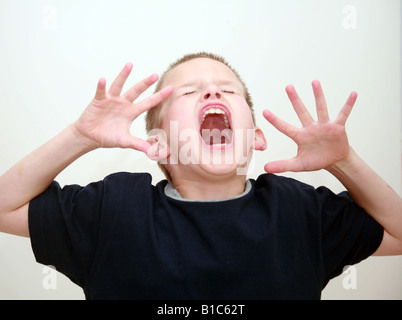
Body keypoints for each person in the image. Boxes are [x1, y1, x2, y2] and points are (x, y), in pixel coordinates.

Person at [0, 52, 401, 300]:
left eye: (229, 91)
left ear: (256, 137)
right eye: (189, 93)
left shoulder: (300, 211)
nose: (212, 92)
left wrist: (343, 161)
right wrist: (78, 137)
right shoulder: (114, 209)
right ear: (158, 144)